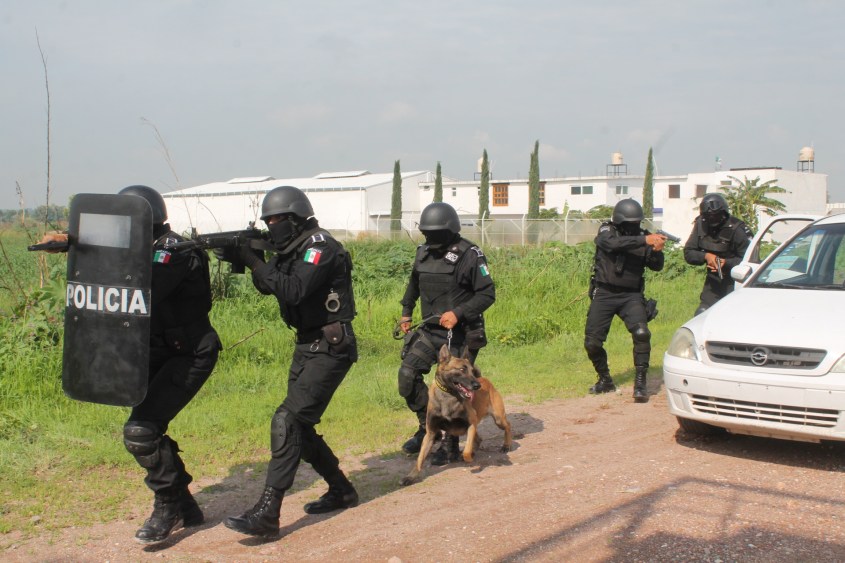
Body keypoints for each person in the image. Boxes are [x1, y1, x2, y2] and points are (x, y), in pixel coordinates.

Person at [38, 185, 222, 544]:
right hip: (153, 353)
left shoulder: (173, 251)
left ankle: (167, 506)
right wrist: (74, 243)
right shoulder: (139, 249)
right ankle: (185, 505)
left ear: (145, 219)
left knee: (141, 431)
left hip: (190, 354)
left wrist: (87, 250)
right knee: (148, 429)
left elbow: (139, 286)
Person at [222, 185, 359, 538]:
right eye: (267, 220)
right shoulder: (291, 248)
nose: (272, 225)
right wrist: (244, 257)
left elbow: (294, 290)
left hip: (331, 347)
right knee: (300, 425)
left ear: (296, 218)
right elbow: (270, 285)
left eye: (277, 219)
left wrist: (255, 260)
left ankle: (268, 511)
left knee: (286, 420)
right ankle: (342, 489)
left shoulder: (320, 247)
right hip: (307, 346)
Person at [397, 202, 495, 466]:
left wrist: (459, 312)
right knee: (407, 376)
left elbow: (487, 294)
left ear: (450, 230)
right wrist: (406, 312)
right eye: (427, 233)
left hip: (462, 332)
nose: (431, 238)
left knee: (457, 386)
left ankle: (452, 444)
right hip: (430, 330)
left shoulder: (470, 254)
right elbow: (413, 284)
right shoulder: (423, 253)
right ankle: (428, 428)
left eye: (436, 233)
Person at [584, 198, 665, 402]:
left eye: (636, 223)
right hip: (604, 293)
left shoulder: (643, 237)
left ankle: (640, 382)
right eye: (629, 223)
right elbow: (610, 244)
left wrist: (657, 251)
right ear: (619, 221)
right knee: (592, 343)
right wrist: (644, 241)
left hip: (631, 295)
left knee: (641, 333)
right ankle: (605, 379)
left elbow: (656, 266)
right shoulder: (607, 231)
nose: (634, 227)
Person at [683, 193, 753, 315]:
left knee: (730, 317)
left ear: (723, 213)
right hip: (713, 282)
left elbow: (750, 261)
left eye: (715, 216)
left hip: (735, 282)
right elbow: (689, 253)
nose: (712, 219)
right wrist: (706, 257)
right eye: (708, 216)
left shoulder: (737, 229)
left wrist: (726, 263)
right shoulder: (701, 224)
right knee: (702, 315)